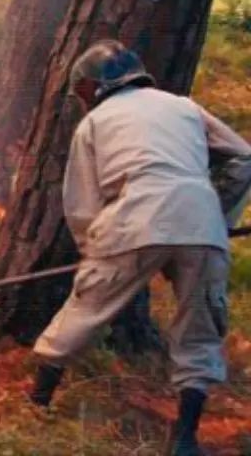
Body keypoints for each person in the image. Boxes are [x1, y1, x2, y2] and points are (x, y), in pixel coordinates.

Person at [26, 40, 251, 456]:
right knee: (200, 333)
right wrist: (214, 217)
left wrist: (95, 253)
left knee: (84, 311)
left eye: (82, 92)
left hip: (132, 220)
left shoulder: (95, 123)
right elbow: (243, 157)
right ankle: (185, 439)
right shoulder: (184, 107)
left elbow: (82, 204)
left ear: (94, 86)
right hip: (202, 228)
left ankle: (36, 404)